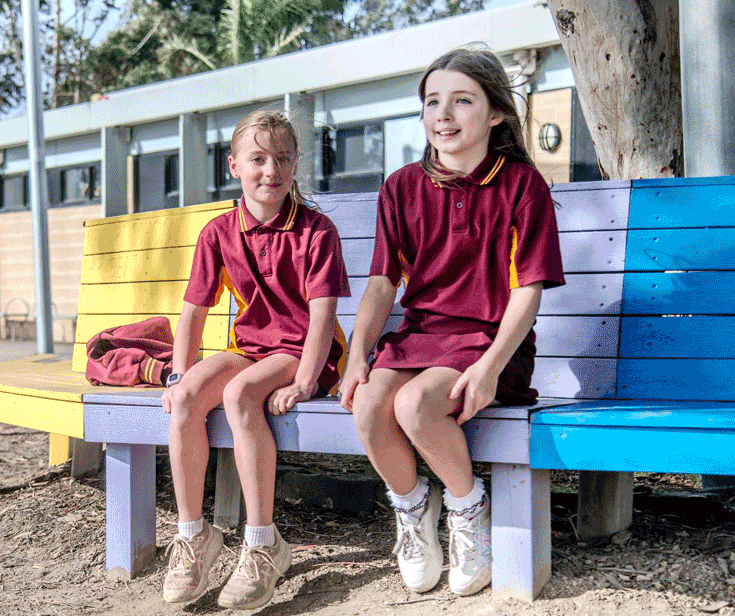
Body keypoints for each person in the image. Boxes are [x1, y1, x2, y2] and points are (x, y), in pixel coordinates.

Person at [340, 48, 565, 597]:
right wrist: (355, 356)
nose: (443, 113)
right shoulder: (400, 187)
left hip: (491, 346)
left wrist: (490, 368)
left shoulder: (521, 186)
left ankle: (469, 509)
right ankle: (415, 508)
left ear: (494, 114)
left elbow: (527, 289)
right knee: (368, 402)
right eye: (432, 102)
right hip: (419, 337)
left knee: (415, 405)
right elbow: (381, 284)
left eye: (462, 100)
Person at [161, 110, 350, 609]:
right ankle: (193, 535)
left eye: (283, 159)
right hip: (251, 349)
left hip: (308, 352)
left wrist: (306, 382)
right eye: (258, 159)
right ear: (234, 166)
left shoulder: (316, 231)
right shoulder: (218, 232)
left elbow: (322, 317)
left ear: (295, 166)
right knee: (184, 399)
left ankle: (264, 543)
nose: (271, 170)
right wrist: (179, 373)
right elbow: (193, 313)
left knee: (240, 395)